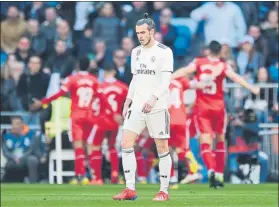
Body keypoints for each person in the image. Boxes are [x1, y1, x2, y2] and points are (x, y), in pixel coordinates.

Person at [172, 40, 260, 188]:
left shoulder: (199, 62)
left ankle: (211, 170)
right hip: (219, 108)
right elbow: (236, 77)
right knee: (220, 140)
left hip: (202, 108)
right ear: (220, 52)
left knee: (205, 142)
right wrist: (252, 88)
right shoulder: (222, 65)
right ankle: (219, 174)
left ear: (208, 51)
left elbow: (185, 71)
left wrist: (170, 77)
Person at [112, 13, 173, 201]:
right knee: (126, 143)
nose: (140, 36)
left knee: (162, 148)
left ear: (152, 32)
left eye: (143, 33)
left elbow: (166, 80)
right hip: (137, 105)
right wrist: (128, 100)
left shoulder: (164, 52)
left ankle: (164, 191)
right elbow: (135, 79)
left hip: (157, 106)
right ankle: (130, 188)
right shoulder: (136, 52)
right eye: (138, 33)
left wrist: (153, 98)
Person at [30, 57, 106, 185]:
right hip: (90, 116)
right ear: (88, 67)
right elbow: (102, 98)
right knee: (89, 146)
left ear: (77, 65)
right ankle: (95, 176)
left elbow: (59, 93)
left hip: (77, 116)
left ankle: (81, 175)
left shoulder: (72, 78)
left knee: (78, 146)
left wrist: (43, 102)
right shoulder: (94, 80)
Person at [88, 63, 127, 185]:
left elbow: (94, 104)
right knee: (112, 147)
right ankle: (115, 173)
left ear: (104, 73)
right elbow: (131, 102)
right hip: (115, 122)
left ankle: (97, 178)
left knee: (95, 146)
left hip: (101, 120)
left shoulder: (99, 86)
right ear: (115, 72)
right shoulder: (123, 87)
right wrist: (122, 115)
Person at [2, 116, 40, 183]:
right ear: (12, 125)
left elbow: (31, 149)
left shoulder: (30, 135)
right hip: (12, 159)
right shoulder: (7, 137)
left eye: (19, 123)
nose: (17, 126)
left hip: (25, 158)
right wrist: (13, 157)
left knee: (32, 159)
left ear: (22, 124)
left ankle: (33, 184)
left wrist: (22, 157)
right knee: (8, 165)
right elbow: (5, 151)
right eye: (15, 124)